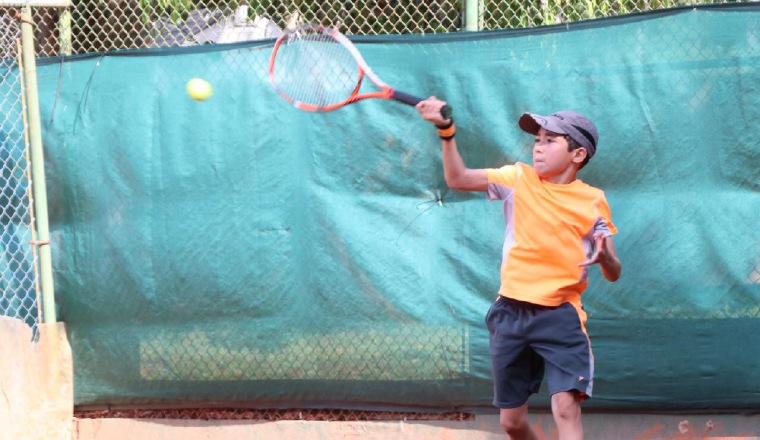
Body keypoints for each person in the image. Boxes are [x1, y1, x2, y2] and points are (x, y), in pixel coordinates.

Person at [416, 97, 622, 440]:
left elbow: (613, 271)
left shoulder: (592, 201)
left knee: (565, 408)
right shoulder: (517, 179)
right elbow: (458, 178)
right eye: (536, 140)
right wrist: (445, 130)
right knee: (512, 424)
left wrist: (606, 258)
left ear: (578, 154)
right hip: (510, 313)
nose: (537, 148)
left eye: (549, 140)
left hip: (560, 317)